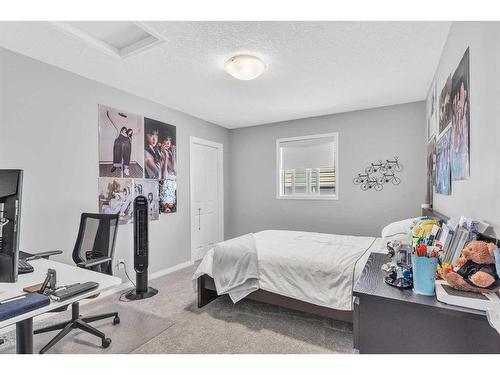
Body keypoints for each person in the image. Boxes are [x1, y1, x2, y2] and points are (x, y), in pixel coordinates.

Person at [107, 111, 132, 177]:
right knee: (116, 156)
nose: (125, 130)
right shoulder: (119, 132)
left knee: (125, 157)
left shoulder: (127, 136)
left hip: (125, 148)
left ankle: (121, 166)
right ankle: (115, 166)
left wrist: (138, 131)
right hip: (117, 147)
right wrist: (109, 116)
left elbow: (132, 134)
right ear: (122, 130)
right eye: (124, 129)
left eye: (125, 130)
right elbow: (114, 123)